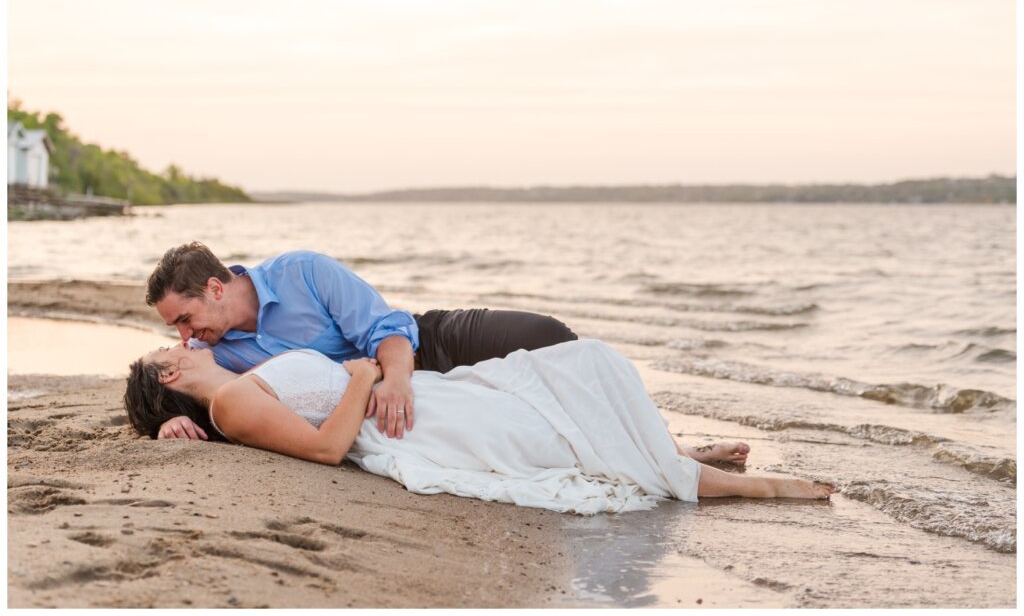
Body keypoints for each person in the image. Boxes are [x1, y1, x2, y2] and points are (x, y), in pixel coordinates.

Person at [124, 339, 833, 513]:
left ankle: (671, 450)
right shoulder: (227, 405)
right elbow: (326, 445)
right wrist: (367, 375)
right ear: (170, 377)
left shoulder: (239, 384)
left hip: (421, 395)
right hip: (408, 423)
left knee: (573, 372)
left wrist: (368, 371)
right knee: (550, 422)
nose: (176, 341)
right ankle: (754, 486)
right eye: (165, 350)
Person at [145, 242, 579, 441]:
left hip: (423, 345)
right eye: (176, 331)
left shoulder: (303, 271)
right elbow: (172, 388)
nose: (185, 337)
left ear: (216, 289)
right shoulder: (210, 351)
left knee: (551, 338)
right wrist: (163, 422)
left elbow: (385, 329)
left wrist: (396, 380)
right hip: (368, 400)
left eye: (185, 320)